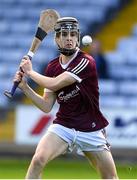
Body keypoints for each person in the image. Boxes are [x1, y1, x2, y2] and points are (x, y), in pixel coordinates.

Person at [14, 17, 118, 179]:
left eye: (72, 34)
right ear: (56, 39)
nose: (68, 38)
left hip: (90, 128)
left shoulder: (86, 61)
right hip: (64, 126)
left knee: (109, 177)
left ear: (77, 38)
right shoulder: (52, 67)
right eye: (63, 34)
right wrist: (25, 88)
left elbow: (56, 83)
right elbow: (46, 106)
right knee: (38, 160)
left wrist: (30, 72)